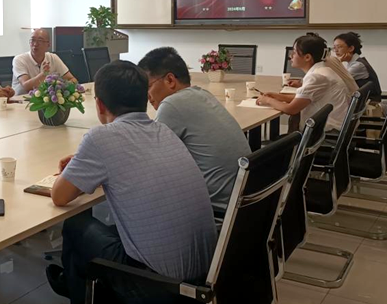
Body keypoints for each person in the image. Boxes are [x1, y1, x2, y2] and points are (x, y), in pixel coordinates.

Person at [47, 61, 217, 304]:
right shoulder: (164, 131)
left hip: (158, 286)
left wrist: (86, 166)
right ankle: (78, 283)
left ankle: (76, 286)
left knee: (75, 224)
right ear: (146, 98)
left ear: (99, 105)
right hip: (205, 277)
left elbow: (59, 196)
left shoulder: (101, 138)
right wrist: (89, 165)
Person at [138, 47, 250, 227]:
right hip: (245, 210)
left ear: (170, 80)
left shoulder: (172, 104)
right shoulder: (202, 94)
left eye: (148, 87)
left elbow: (145, 162)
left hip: (216, 217)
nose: (147, 97)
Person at [258, 33, 357, 132]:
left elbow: (291, 109)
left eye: (294, 52)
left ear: (307, 57)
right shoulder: (324, 70)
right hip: (335, 126)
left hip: (328, 132)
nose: (290, 55)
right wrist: (278, 96)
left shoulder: (316, 77)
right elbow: (305, 98)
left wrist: (268, 100)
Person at [12, 29, 77, 95]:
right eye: (33, 40)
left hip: (47, 99)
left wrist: (60, 87)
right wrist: (43, 74)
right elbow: (26, 86)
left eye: (40, 40)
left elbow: (72, 79)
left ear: (48, 44)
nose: (35, 44)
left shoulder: (53, 58)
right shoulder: (19, 59)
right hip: (20, 99)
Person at [333, 32, 382, 101]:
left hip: (369, 104)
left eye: (339, 47)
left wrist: (337, 61)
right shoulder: (354, 62)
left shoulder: (358, 65)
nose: (335, 50)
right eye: (334, 47)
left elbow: (336, 81)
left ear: (351, 48)